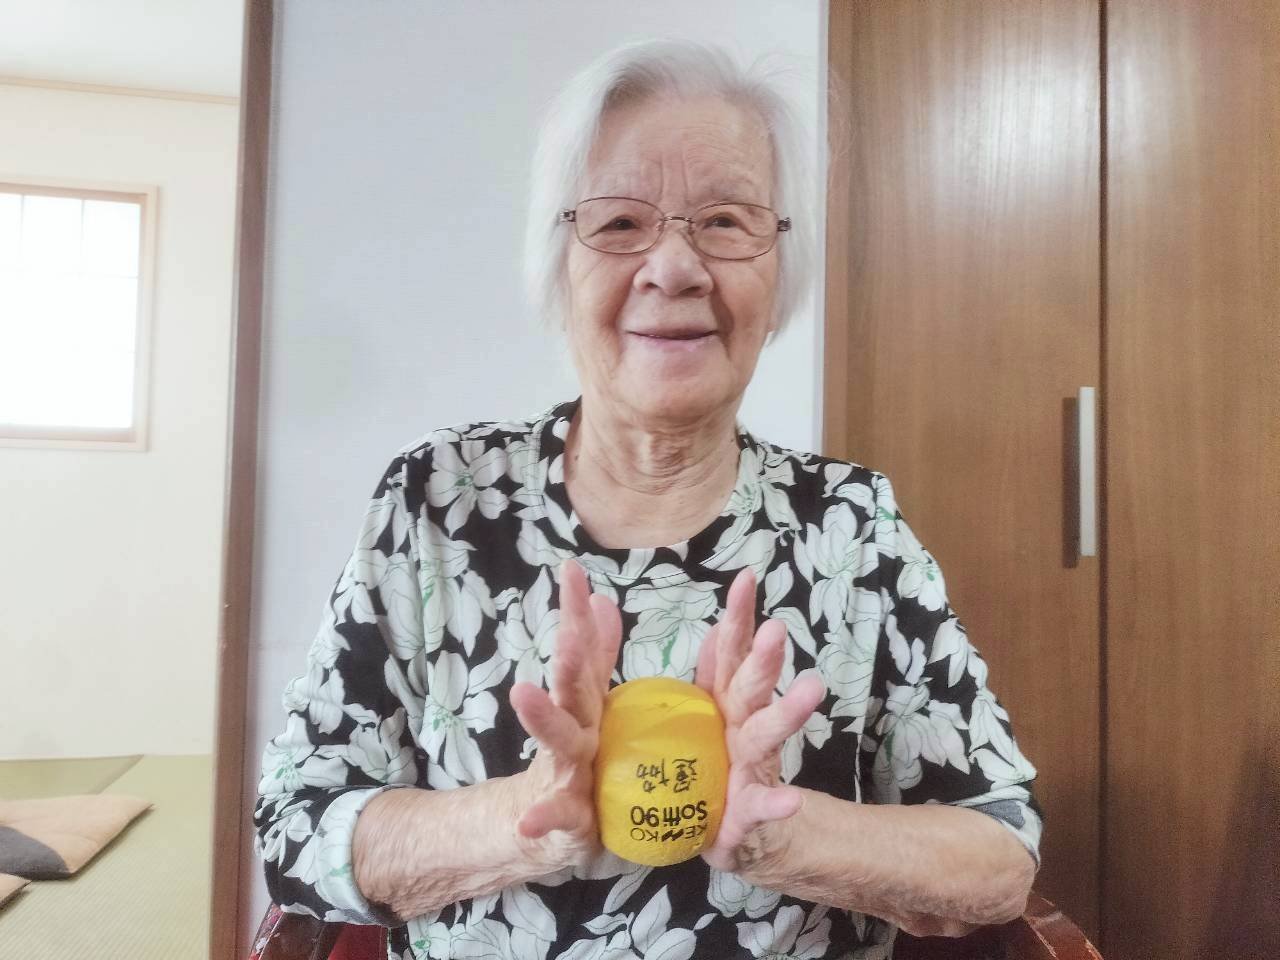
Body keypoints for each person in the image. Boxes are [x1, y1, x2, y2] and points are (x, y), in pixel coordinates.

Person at [254, 39, 1042, 959]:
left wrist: (788, 837)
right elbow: (293, 830)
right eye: (621, 222)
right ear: (559, 260)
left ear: (778, 268)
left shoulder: (850, 523)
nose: (675, 267)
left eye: (725, 221)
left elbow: (999, 856)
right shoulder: (439, 501)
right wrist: (528, 817)